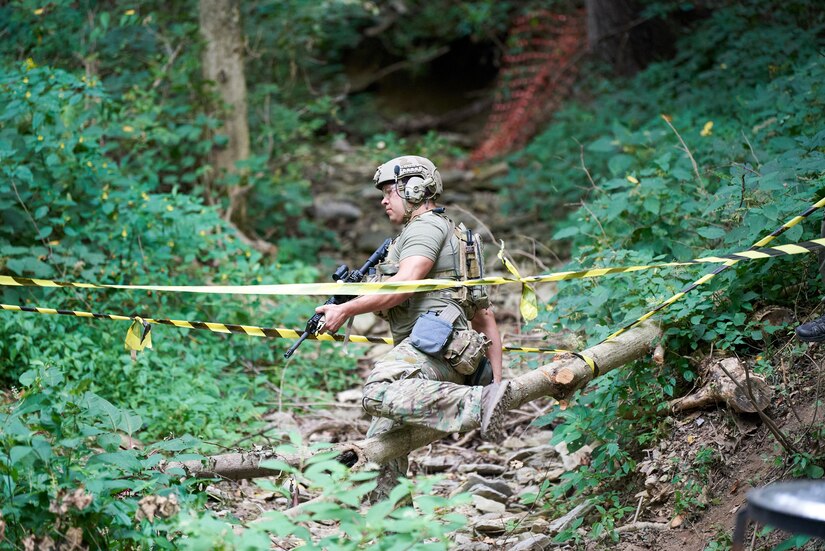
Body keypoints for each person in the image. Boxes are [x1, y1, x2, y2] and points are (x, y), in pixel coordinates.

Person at [315, 154, 512, 496]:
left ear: (414, 189)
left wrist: (346, 312)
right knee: (381, 448)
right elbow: (484, 316)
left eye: (388, 191)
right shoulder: (446, 232)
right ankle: (393, 529)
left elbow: (404, 285)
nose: (383, 200)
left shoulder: (425, 227)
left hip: (433, 348)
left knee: (377, 389)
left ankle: (471, 406)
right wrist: (495, 381)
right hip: (448, 352)